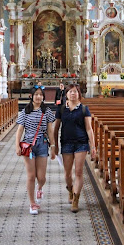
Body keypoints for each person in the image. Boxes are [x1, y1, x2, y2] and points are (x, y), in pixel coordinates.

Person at [53, 83, 95, 213]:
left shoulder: (84, 109)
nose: (73, 94)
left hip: (81, 142)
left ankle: (76, 199)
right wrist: (55, 145)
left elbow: (89, 129)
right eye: (70, 91)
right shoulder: (61, 109)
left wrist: (93, 146)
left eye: (75, 92)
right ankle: (70, 189)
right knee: (67, 174)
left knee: (78, 172)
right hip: (66, 143)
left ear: (79, 94)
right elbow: (56, 129)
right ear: (66, 94)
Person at [15, 86, 56, 215]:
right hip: (28, 145)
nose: (38, 97)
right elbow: (20, 130)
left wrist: (53, 146)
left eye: (41, 95)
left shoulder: (47, 111)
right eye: (36, 94)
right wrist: (17, 146)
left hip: (43, 144)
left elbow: (50, 130)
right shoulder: (25, 111)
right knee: (31, 176)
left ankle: (40, 187)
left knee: (42, 177)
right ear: (31, 96)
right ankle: (32, 203)